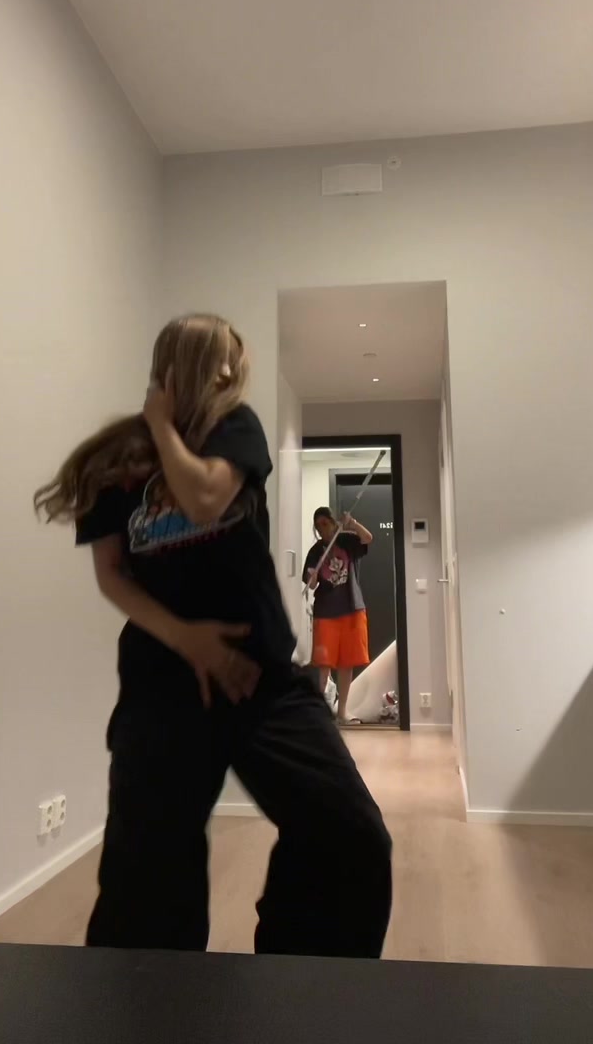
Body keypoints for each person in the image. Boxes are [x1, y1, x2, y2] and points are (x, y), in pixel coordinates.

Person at [34, 314, 391, 956]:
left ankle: (301, 982)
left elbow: (204, 498)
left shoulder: (235, 431)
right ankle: (149, 1002)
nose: (230, 374)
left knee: (350, 838)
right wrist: (186, 638)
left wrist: (161, 427)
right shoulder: (118, 462)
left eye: (235, 364)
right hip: (162, 690)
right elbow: (112, 575)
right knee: (146, 885)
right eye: (221, 361)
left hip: (264, 684)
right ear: (180, 366)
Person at [303, 507, 373, 725]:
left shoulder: (347, 541)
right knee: (323, 664)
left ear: (333, 522)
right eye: (318, 526)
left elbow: (368, 538)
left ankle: (341, 712)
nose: (321, 529)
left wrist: (352, 524)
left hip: (352, 609)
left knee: (347, 662)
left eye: (325, 523)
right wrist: (313, 577)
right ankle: (317, 715)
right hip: (325, 613)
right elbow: (311, 584)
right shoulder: (316, 552)